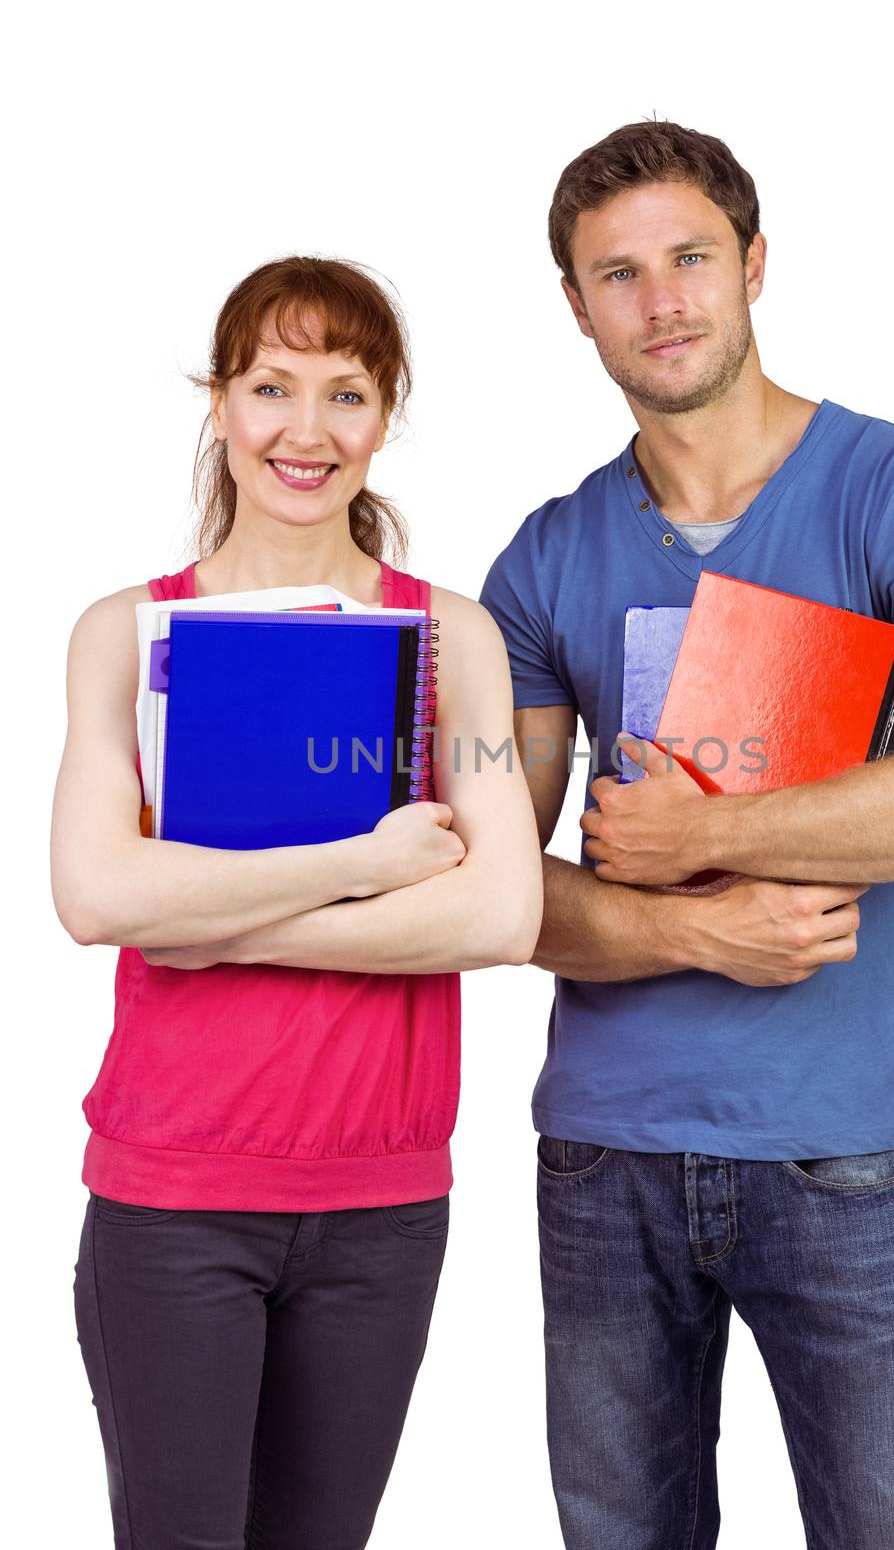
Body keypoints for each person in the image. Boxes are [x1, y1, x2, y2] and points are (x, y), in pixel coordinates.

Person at [480, 122, 894, 1549]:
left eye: (689, 258)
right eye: (617, 273)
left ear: (754, 266)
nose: (660, 298)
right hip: (601, 1162)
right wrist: (685, 920)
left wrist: (708, 828)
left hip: (834, 1156)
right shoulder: (548, 555)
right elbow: (496, 884)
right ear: (574, 302)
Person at [51, 255, 542, 1550]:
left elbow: (501, 914)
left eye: (347, 393)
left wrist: (203, 918)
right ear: (220, 403)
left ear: (388, 416)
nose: (306, 431)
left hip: (382, 1209)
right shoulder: (123, 633)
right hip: (171, 1205)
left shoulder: (460, 646)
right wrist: (360, 863)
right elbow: (96, 894)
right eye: (272, 387)